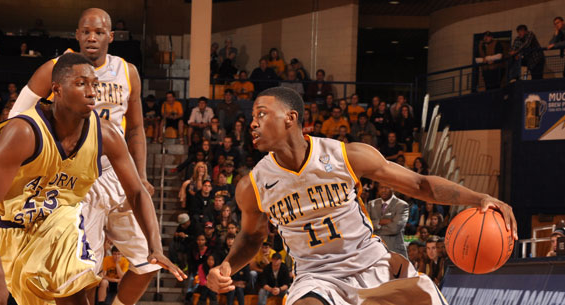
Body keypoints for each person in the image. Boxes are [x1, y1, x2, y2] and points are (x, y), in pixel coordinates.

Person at [206, 87, 517, 305]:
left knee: (424, 295)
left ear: (291, 118)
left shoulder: (344, 155)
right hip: (317, 277)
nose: (253, 122)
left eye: (262, 113)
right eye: (253, 116)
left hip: (373, 265)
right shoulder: (252, 185)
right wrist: (225, 267)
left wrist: (479, 198)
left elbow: (421, 185)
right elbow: (250, 237)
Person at [0, 53, 183, 305]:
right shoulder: (23, 132)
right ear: (56, 90)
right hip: (13, 229)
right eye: (81, 83)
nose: (92, 92)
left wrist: (154, 246)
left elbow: (136, 192)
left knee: (75, 287)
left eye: (95, 84)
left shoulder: (106, 135)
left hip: (61, 222)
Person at [7, 9, 171, 305]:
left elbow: (135, 128)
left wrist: (142, 175)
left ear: (111, 36)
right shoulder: (56, 68)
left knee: (150, 263)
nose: (92, 37)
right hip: (76, 175)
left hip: (116, 170)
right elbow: (17, 116)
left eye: (98, 32)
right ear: (77, 35)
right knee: (81, 274)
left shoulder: (127, 71)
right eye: (86, 31)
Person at [367, 185, 409, 257]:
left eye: (387, 187)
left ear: (393, 188)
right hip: (375, 250)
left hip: (394, 251)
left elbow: (394, 229)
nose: (384, 190)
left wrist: (375, 228)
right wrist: (379, 222)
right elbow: (366, 226)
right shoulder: (371, 204)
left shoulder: (402, 205)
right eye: (381, 187)